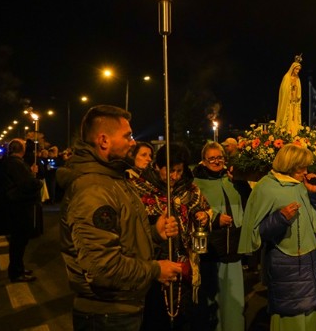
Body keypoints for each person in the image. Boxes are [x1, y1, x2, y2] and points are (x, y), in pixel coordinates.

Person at [57, 105, 183, 331]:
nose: (133, 142)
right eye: (127, 136)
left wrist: (154, 234)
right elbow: (103, 268)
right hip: (107, 315)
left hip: (122, 308)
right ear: (104, 140)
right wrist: (156, 270)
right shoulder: (93, 190)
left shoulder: (112, 179)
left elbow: (122, 240)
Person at [239, 143, 316, 331]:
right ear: (289, 165)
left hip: (312, 260)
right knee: (293, 318)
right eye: (301, 167)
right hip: (288, 264)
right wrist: (281, 218)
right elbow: (257, 232)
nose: (305, 171)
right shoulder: (267, 187)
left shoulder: (303, 185)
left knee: (314, 314)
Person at [130, 142, 213, 331]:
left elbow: (205, 210)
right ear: (158, 166)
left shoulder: (190, 191)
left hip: (184, 265)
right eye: (170, 171)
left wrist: (203, 217)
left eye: (179, 171)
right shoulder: (139, 189)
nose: (175, 177)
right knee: (155, 317)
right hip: (153, 265)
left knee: (184, 316)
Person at [193, 141, 247, 331]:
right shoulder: (196, 183)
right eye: (212, 158)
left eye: (219, 157)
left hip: (233, 245)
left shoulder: (231, 179)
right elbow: (194, 210)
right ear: (203, 161)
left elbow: (247, 202)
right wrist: (215, 220)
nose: (216, 161)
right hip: (211, 248)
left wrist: (238, 181)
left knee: (234, 298)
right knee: (213, 297)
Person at [0, 139, 42, 282]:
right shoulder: (16, 164)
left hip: (16, 205)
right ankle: (16, 272)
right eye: (25, 146)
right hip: (19, 206)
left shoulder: (11, 162)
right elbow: (27, 184)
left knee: (19, 242)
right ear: (21, 149)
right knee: (18, 242)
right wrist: (36, 180)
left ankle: (18, 268)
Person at [275, 54, 303, 135]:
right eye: (296, 69)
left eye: (299, 70)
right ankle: (285, 131)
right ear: (293, 69)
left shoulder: (298, 79)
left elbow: (299, 90)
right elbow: (284, 89)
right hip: (288, 101)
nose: (297, 71)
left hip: (294, 101)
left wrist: (296, 93)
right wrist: (290, 88)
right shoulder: (287, 77)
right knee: (288, 116)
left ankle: (294, 132)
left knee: (294, 117)